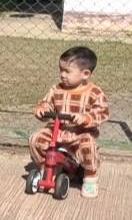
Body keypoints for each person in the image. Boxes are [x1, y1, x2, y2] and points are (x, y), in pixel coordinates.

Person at [29, 46, 109, 199]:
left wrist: (86, 118)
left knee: (88, 145)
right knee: (36, 139)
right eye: (61, 70)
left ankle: (90, 177)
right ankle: (47, 169)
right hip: (57, 130)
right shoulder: (56, 89)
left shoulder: (94, 92)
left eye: (67, 71)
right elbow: (47, 103)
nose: (62, 75)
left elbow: (102, 112)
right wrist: (42, 108)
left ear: (85, 74)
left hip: (80, 133)